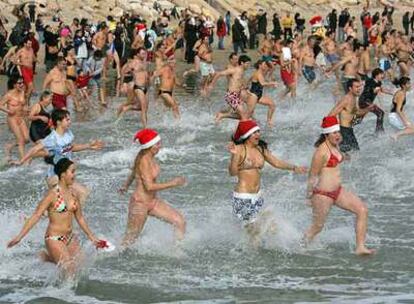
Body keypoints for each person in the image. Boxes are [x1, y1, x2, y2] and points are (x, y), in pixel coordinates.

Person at [7, 158, 103, 277]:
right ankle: (63, 293)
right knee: (69, 270)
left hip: (69, 238)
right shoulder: (52, 194)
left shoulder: (74, 194)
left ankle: (48, 258)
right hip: (54, 239)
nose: (75, 175)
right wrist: (19, 237)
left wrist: (92, 237)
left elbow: (80, 218)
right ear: (63, 174)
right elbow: (36, 215)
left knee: (80, 267)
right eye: (72, 172)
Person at [304, 116, 375, 255]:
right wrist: (308, 196)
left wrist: (348, 157)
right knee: (317, 227)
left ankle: (360, 248)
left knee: (362, 210)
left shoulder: (334, 145)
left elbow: (339, 157)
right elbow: (312, 175)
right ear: (326, 134)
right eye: (334, 133)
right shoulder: (321, 152)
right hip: (322, 194)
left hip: (338, 191)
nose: (337, 135)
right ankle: (300, 246)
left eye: (338, 132)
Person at [228, 120, 306, 245]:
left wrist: (294, 167)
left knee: (271, 227)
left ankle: (262, 254)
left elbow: (276, 162)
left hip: (257, 196)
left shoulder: (260, 149)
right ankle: (247, 255)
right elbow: (232, 172)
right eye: (254, 132)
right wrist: (234, 156)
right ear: (247, 135)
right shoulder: (239, 149)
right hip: (243, 197)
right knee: (255, 230)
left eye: (258, 131)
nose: (258, 134)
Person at [15, 109, 104, 204]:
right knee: (81, 194)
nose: (70, 122)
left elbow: (71, 147)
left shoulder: (68, 133)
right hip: (55, 176)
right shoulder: (52, 138)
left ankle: (48, 215)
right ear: (58, 122)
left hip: (66, 174)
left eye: (69, 119)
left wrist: (89, 146)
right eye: (67, 120)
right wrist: (22, 160)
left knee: (68, 201)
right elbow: (35, 149)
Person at [119, 129, 186, 247]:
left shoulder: (145, 155)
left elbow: (133, 172)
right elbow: (149, 187)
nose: (160, 146)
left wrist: (125, 185)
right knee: (129, 241)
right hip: (140, 204)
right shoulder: (144, 160)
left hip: (153, 201)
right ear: (150, 146)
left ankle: (177, 251)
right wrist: (173, 183)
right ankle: (114, 257)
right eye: (157, 144)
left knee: (179, 221)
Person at [328, 79, 372, 154]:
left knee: (355, 153)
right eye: (356, 87)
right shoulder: (346, 99)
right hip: (343, 131)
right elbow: (330, 115)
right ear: (350, 88)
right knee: (349, 155)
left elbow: (357, 113)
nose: (359, 89)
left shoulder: (354, 97)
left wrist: (368, 109)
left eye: (360, 87)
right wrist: (333, 132)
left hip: (349, 130)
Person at [0, 77, 29, 161]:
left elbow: (23, 105)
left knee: (26, 139)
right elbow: (0, 105)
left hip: (21, 117)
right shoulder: (9, 95)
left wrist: (26, 109)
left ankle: (9, 146)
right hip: (12, 119)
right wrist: (8, 111)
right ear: (14, 85)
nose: (22, 85)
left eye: (22, 82)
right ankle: (23, 160)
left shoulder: (23, 92)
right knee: (20, 140)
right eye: (19, 83)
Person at [246, 60, 277, 127]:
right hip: (253, 96)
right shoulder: (258, 73)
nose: (266, 66)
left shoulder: (262, 72)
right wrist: (272, 83)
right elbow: (262, 83)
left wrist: (247, 85)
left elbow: (250, 78)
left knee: (272, 104)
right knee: (249, 114)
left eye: (266, 65)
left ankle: (268, 121)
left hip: (258, 95)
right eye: (264, 65)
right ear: (260, 65)